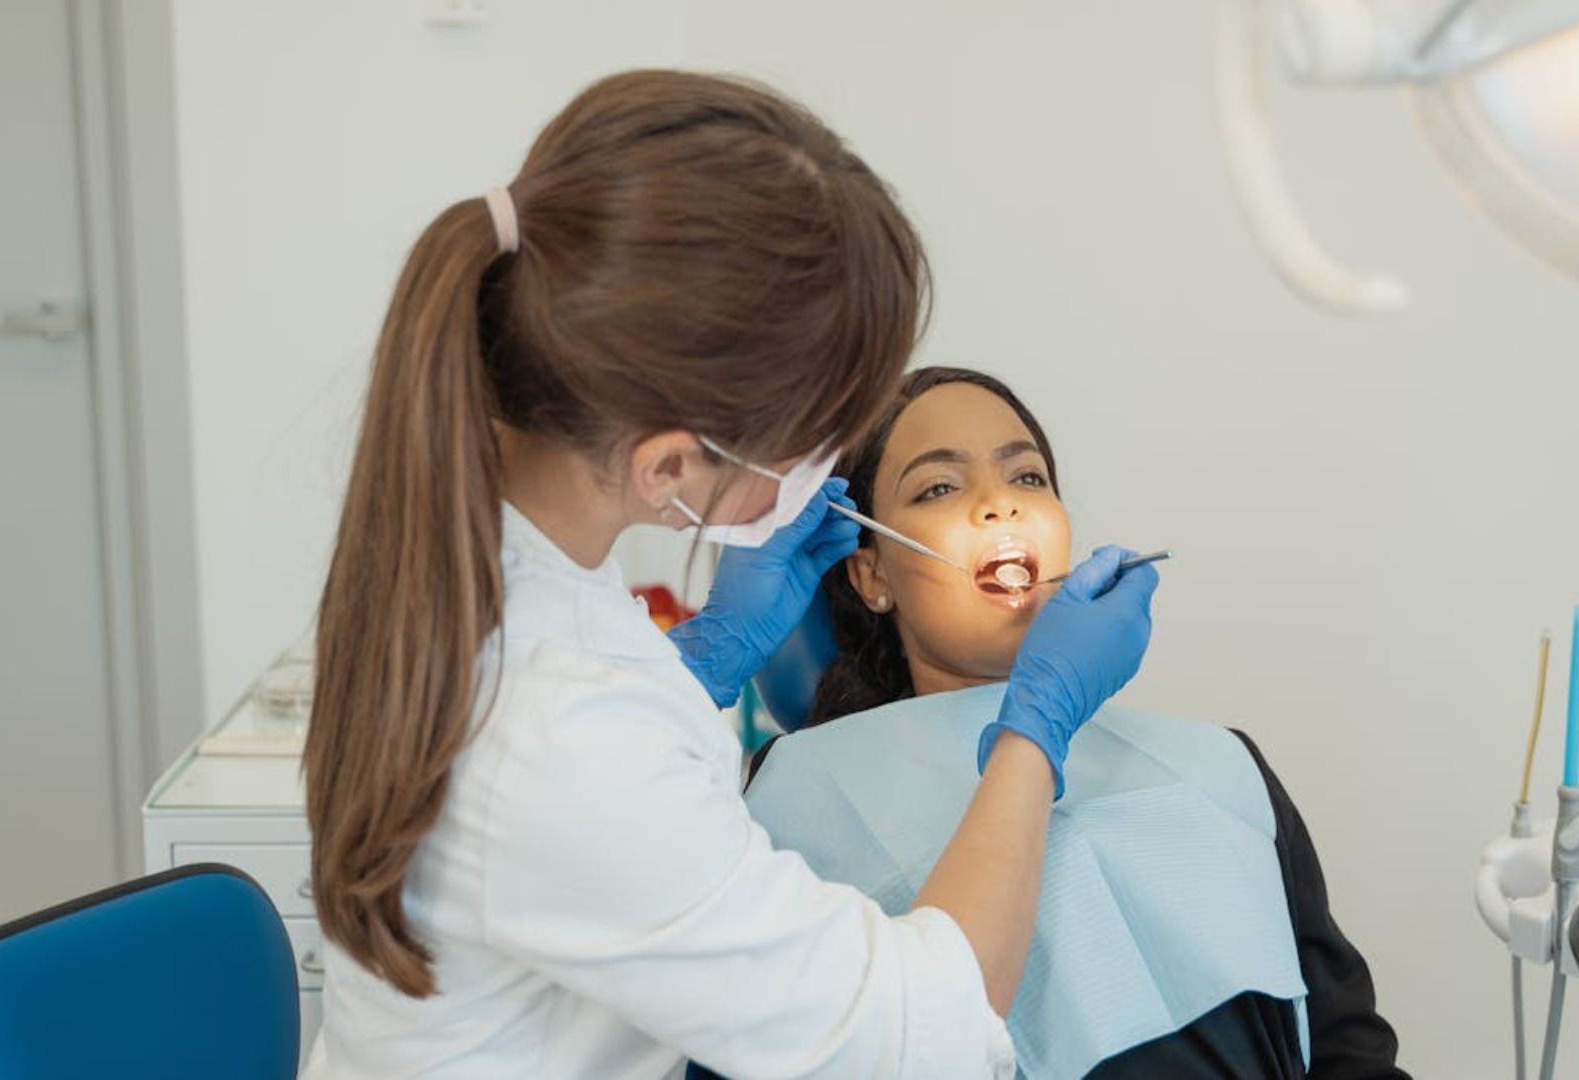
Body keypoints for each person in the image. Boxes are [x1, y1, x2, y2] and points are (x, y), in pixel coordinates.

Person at [299, 73, 1158, 1079]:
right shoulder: (562, 737)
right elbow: (920, 1034)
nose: (998, 508)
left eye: (1024, 474)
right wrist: (1035, 727)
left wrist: (701, 662)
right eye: (822, 436)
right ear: (666, 466)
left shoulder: (478, 552)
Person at [742, 368, 1411, 1079]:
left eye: (1026, 478)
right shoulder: (789, 799)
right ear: (871, 574)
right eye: (939, 487)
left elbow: (1351, 1055)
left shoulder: (1225, 767)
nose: (999, 505)